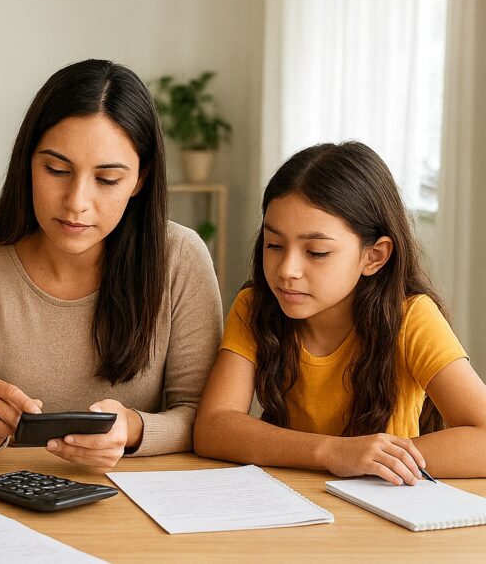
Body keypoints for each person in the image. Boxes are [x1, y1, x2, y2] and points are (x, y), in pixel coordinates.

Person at [0, 59, 223, 468]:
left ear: (140, 179)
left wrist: (133, 428)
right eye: (56, 169)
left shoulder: (179, 257)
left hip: (136, 505)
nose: (76, 202)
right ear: (28, 162)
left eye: (107, 180)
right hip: (2, 495)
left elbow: (204, 416)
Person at [194, 142, 486, 482]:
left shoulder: (411, 317)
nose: (287, 269)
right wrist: (333, 452)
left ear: (374, 256)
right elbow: (213, 426)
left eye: (316, 252)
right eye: (274, 245)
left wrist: (372, 458)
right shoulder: (254, 306)